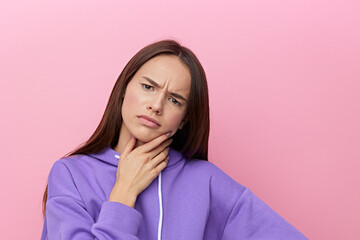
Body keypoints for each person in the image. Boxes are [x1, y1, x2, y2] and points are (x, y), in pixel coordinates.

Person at [41, 39, 308, 240]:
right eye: (148, 87)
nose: (156, 105)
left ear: (184, 119)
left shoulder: (206, 181)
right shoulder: (71, 174)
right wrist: (124, 193)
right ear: (123, 90)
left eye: (174, 99)